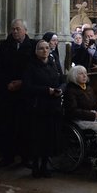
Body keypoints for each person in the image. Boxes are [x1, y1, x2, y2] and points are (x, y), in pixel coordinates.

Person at [0, 19, 36, 168]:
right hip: (8, 92)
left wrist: (22, 83)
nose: (15, 31)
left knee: (26, 126)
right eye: (13, 29)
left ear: (25, 30)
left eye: (18, 29)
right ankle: (8, 156)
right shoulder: (5, 46)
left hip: (24, 92)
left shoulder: (33, 47)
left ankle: (26, 157)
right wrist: (8, 83)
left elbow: (34, 69)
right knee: (7, 126)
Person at [22, 39, 63, 178]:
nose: (45, 50)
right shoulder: (30, 66)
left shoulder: (52, 64)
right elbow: (27, 87)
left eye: (47, 48)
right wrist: (47, 90)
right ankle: (35, 166)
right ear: (36, 51)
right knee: (37, 138)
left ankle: (45, 166)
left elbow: (60, 80)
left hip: (52, 107)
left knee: (48, 138)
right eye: (41, 48)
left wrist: (60, 90)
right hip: (38, 107)